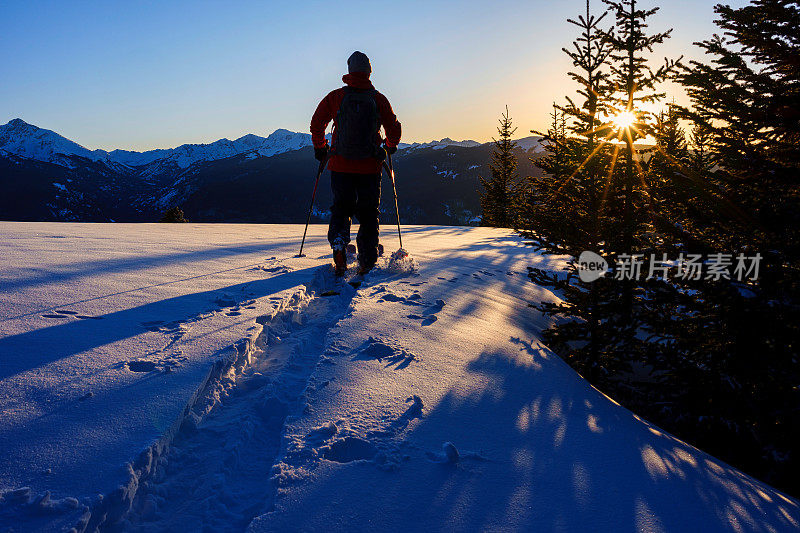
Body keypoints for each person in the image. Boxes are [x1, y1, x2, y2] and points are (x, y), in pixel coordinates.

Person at [310, 51, 402, 276]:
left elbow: (317, 123)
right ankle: (367, 258)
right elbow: (394, 127)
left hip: (340, 165)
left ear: (349, 71)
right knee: (369, 212)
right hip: (370, 166)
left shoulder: (336, 97)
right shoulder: (378, 98)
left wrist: (321, 148)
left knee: (341, 208)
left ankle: (340, 242)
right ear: (369, 71)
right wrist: (390, 146)